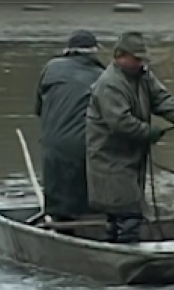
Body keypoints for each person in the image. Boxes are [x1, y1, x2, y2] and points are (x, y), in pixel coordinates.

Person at [85, 31, 174, 243]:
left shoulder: (143, 76)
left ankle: (116, 248)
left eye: (142, 58)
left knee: (123, 212)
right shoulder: (110, 84)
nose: (140, 62)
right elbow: (120, 122)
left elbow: (160, 98)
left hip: (131, 157)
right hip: (109, 158)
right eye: (135, 58)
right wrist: (148, 133)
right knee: (127, 213)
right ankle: (125, 255)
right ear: (119, 56)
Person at [34, 29, 106, 223]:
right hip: (88, 144)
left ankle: (61, 225)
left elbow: (38, 109)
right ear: (94, 51)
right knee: (89, 199)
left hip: (52, 143)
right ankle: (93, 231)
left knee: (59, 200)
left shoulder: (51, 67)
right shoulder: (104, 76)